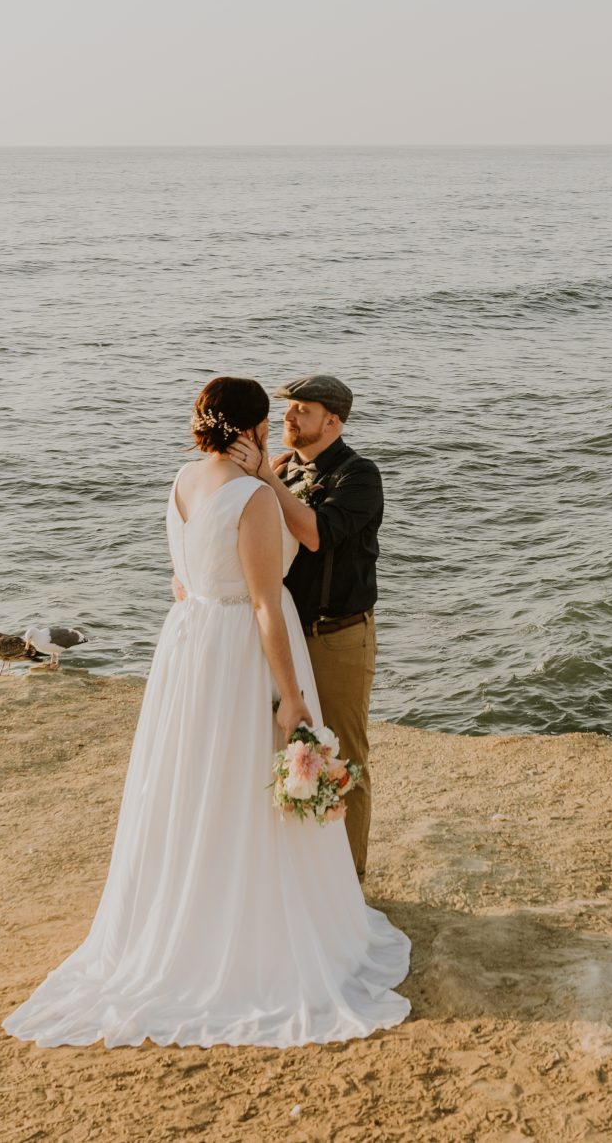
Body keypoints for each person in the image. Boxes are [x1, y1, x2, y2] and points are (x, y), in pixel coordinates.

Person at [2, 377, 409, 1048]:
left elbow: (200, 566)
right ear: (249, 427)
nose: (286, 420)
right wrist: (292, 693)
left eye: (301, 410)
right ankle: (276, 915)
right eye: (276, 413)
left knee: (204, 776)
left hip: (194, 648)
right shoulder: (255, 488)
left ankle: (221, 901)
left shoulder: (187, 480)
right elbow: (258, 600)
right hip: (249, 644)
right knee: (252, 768)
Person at [234, 373, 382, 880]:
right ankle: (302, 881)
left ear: (333, 421)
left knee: (343, 756)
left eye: (303, 409)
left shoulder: (359, 476)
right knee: (286, 752)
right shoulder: (281, 468)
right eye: (289, 408)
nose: (290, 418)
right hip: (288, 636)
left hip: (338, 636)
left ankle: (351, 880)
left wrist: (267, 480)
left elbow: (317, 535)